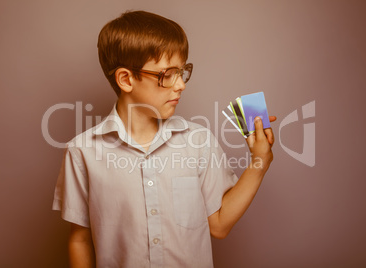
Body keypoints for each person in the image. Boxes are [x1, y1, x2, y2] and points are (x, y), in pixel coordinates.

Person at [52, 10, 276, 268]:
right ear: (126, 79)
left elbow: (220, 225)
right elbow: (79, 240)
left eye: (182, 72)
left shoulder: (198, 141)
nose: (180, 84)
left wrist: (260, 161)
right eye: (167, 74)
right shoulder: (82, 151)